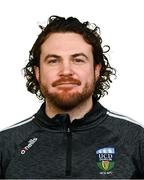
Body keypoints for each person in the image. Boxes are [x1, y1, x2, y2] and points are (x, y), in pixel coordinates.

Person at [0, 15, 144, 179]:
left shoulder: (135, 138)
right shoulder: (6, 144)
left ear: (97, 70)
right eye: (53, 61)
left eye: (78, 60)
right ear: (37, 73)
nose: (66, 71)